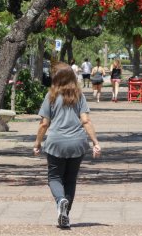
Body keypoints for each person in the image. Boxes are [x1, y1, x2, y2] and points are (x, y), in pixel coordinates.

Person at [33, 62, 101, 229]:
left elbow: (44, 124)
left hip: (56, 142)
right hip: (78, 143)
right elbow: (85, 120)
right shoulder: (79, 96)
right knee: (70, 179)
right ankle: (65, 215)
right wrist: (95, 143)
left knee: (55, 177)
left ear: (56, 78)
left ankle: (60, 201)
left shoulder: (51, 96)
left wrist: (37, 143)